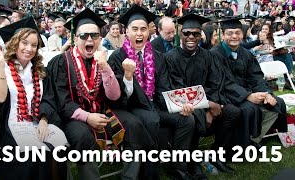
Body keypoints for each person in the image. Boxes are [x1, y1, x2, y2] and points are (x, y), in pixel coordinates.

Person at [47, 8, 155, 179]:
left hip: (104, 110)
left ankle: (130, 177)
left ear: (99, 38)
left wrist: (105, 68)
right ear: (75, 38)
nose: (89, 39)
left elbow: (114, 96)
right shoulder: (61, 62)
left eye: (94, 35)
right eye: (84, 36)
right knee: (82, 136)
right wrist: (87, 117)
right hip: (74, 116)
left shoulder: (104, 60)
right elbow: (61, 100)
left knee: (133, 125)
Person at [108, 5, 195, 180]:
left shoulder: (157, 56)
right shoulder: (117, 57)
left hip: (154, 105)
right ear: (126, 31)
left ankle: (177, 167)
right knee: (151, 119)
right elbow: (117, 97)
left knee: (187, 120)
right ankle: (149, 174)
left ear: (149, 31)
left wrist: (178, 106)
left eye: (143, 29)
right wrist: (127, 76)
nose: (139, 34)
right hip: (130, 107)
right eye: (134, 29)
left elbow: (163, 87)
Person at [0, 16, 67, 180]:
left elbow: (48, 99)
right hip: (7, 126)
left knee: (55, 150)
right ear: (14, 44)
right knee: (30, 156)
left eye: (34, 45)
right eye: (24, 43)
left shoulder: (41, 73)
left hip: (35, 123)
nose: (29, 49)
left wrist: (44, 119)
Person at [165, 13, 240, 177]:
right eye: (187, 33)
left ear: (201, 35)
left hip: (206, 103)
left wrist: (211, 105)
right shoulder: (170, 58)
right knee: (193, 117)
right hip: (185, 105)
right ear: (180, 34)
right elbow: (178, 89)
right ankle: (192, 163)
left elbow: (216, 82)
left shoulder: (208, 55)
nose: (191, 37)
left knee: (232, 112)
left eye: (196, 33)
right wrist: (207, 105)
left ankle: (216, 154)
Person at [210, 17, 288, 149]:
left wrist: (266, 93)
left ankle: (253, 138)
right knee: (248, 108)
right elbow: (222, 82)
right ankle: (238, 144)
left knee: (277, 102)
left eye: (238, 33)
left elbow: (256, 77)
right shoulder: (214, 55)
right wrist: (247, 95)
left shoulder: (245, 53)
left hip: (246, 92)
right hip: (225, 94)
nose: (234, 36)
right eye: (230, 33)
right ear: (222, 35)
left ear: (242, 34)